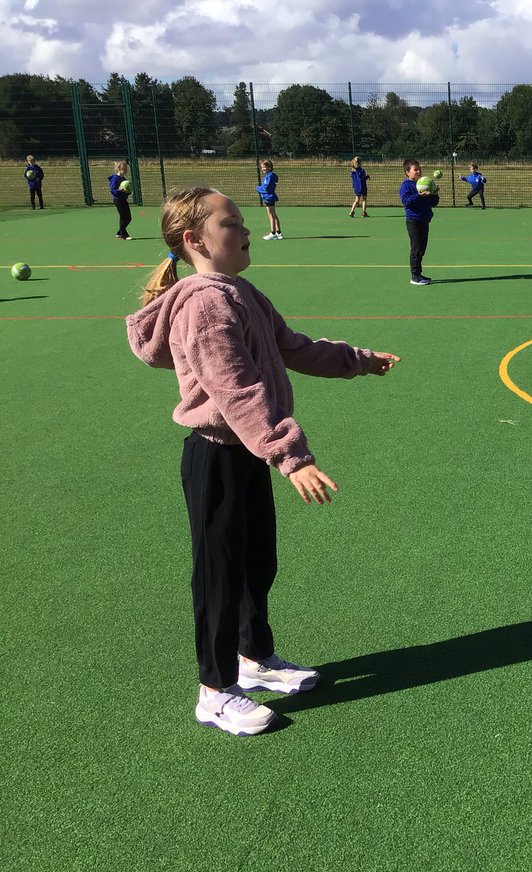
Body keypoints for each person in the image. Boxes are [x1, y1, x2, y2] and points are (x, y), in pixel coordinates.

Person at [126, 187, 399, 736]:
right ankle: (214, 690)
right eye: (231, 223)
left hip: (247, 454)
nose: (246, 230)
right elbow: (236, 389)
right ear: (194, 239)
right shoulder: (205, 304)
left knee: (256, 563)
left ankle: (254, 658)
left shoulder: (241, 292)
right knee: (220, 575)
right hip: (216, 457)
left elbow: (292, 347)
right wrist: (290, 455)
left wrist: (358, 361)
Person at [399, 158, 440, 286]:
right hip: (414, 221)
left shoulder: (423, 184)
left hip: (424, 220)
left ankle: (419, 274)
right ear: (407, 172)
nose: (418, 171)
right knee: (416, 249)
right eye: (415, 169)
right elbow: (406, 201)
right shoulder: (406, 185)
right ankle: (415, 276)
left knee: (422, 249)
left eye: (419, 169)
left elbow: (433, 203)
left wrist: (434, 193)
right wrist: (419, 195)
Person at [257, 160, 282, 239]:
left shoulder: (269, 177)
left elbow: (266, 188)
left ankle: (273, 233)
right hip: (270, 197)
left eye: (264, 167)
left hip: (268, 197)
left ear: (269, 167)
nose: (263, 169)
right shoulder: (271, 175)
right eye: (262, 167)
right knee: (274, 214)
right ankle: (279, 233)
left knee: (271, 215)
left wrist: (258, 188)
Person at [109, 161, 133, 240]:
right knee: (123, 217)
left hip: (123, 199)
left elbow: (127, 192)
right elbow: (113, 191)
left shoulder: (124, 179)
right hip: (118, 200)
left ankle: (119, 233)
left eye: (126, 169)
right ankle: (124, 235)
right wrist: (119, 190)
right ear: (119, 169)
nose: (126, 171)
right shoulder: (115, 179)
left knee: (128, 218)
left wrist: (128, 191)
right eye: (124, 169)